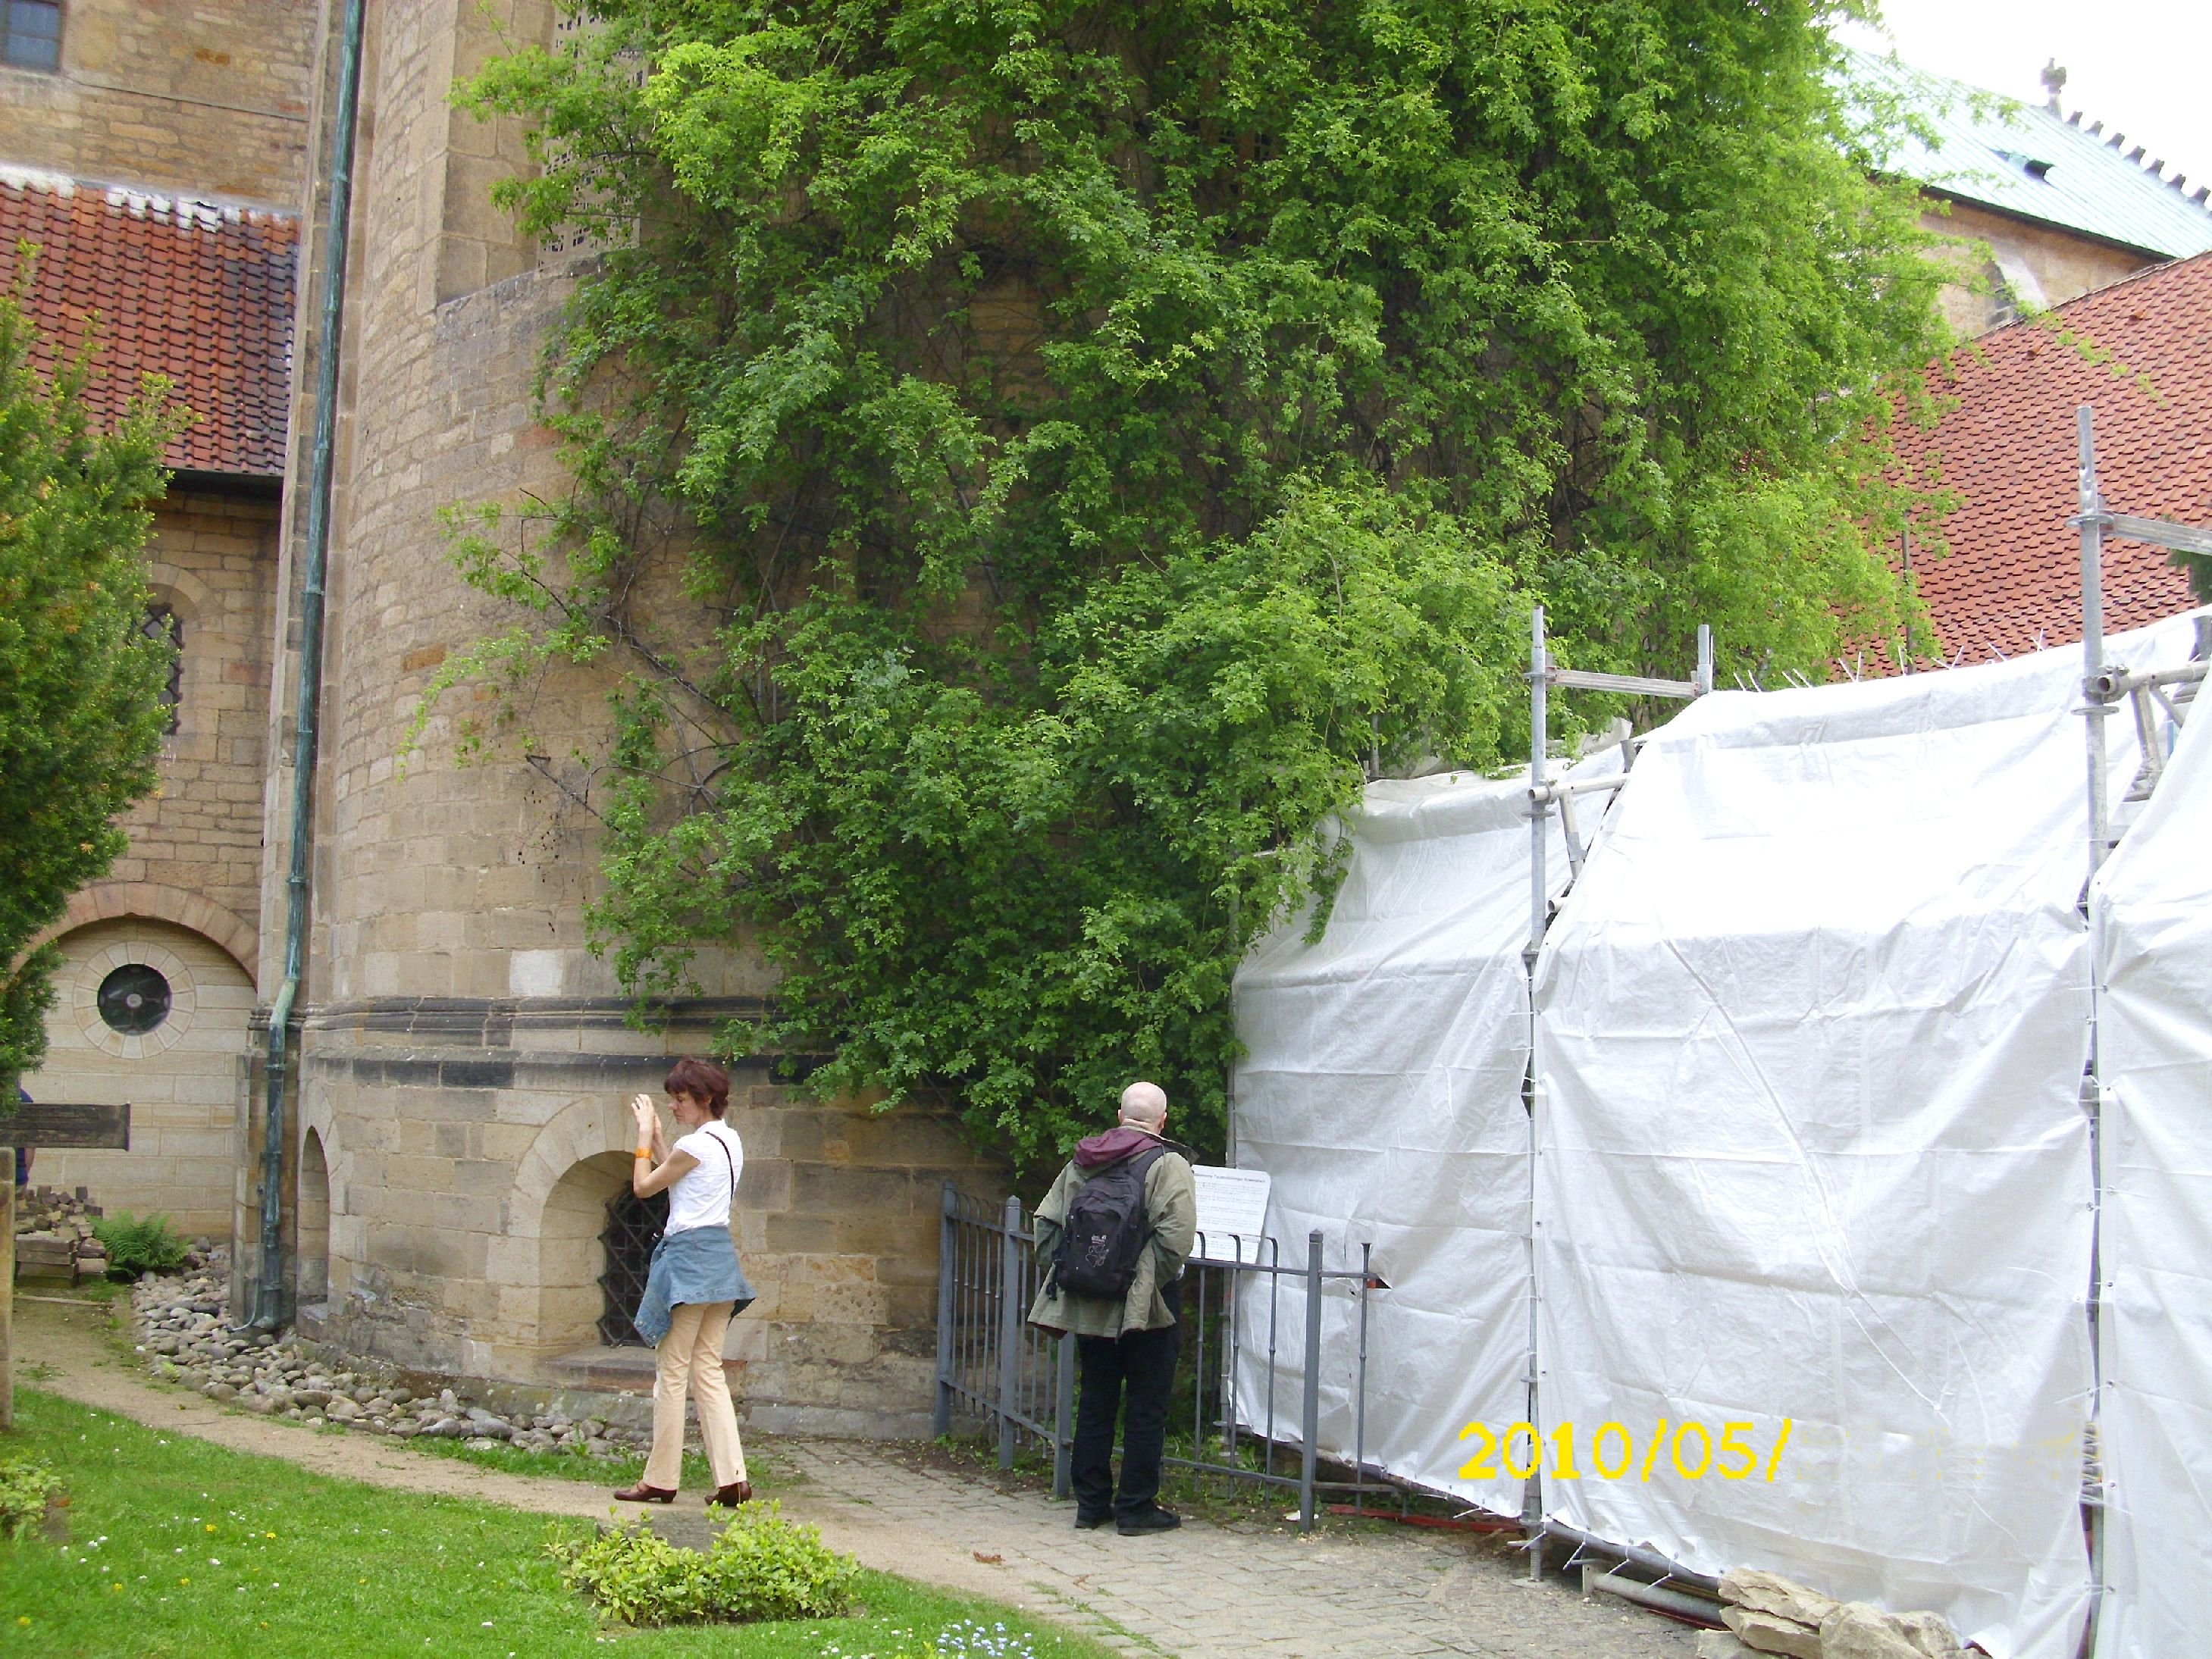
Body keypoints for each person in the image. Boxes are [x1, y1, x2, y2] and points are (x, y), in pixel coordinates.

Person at [1028, 1080, 1198, 1535]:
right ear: (1162, 1121)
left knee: (1098, 1399)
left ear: (1120, 1114)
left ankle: (1090, 1506)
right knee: (1147, 1404)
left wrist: (1078, 1273)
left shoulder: (1085, 1159)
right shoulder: (1168, 1164)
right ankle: (1136, 1508)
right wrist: (1145, 1283)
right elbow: (1176, 1238)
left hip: (1089, 1300)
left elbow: (1045, 1225)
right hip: (1150, 1307)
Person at [615, 1056, 757, 1507]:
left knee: (672, 1371)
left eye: (681, 1100)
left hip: (691, 1258)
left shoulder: (696, 1145)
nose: (674, 1107)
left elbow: (644, 1187)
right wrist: (658, 1138)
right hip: (718, 1260)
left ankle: (660, 1479)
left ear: (705, 1099)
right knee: (707, 1369)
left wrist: (642, 1138)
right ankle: (733, 1480)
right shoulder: (727, 1140)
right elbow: (677, 1178)